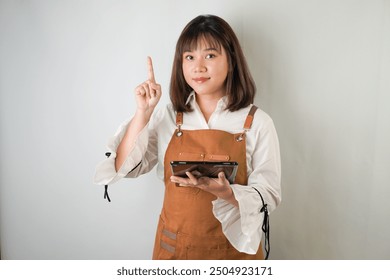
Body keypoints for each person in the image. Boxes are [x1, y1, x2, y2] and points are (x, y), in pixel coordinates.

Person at [94, 14, 281, 260]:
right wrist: (143, 113)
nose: (198, 67)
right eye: (189, 57)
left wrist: (226, 193)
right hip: (174, 252)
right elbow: (124, 169)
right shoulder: (169, 116)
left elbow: (269, 195)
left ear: (232, 60)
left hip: (234, 257)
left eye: (210, 56)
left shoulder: (257, 122)